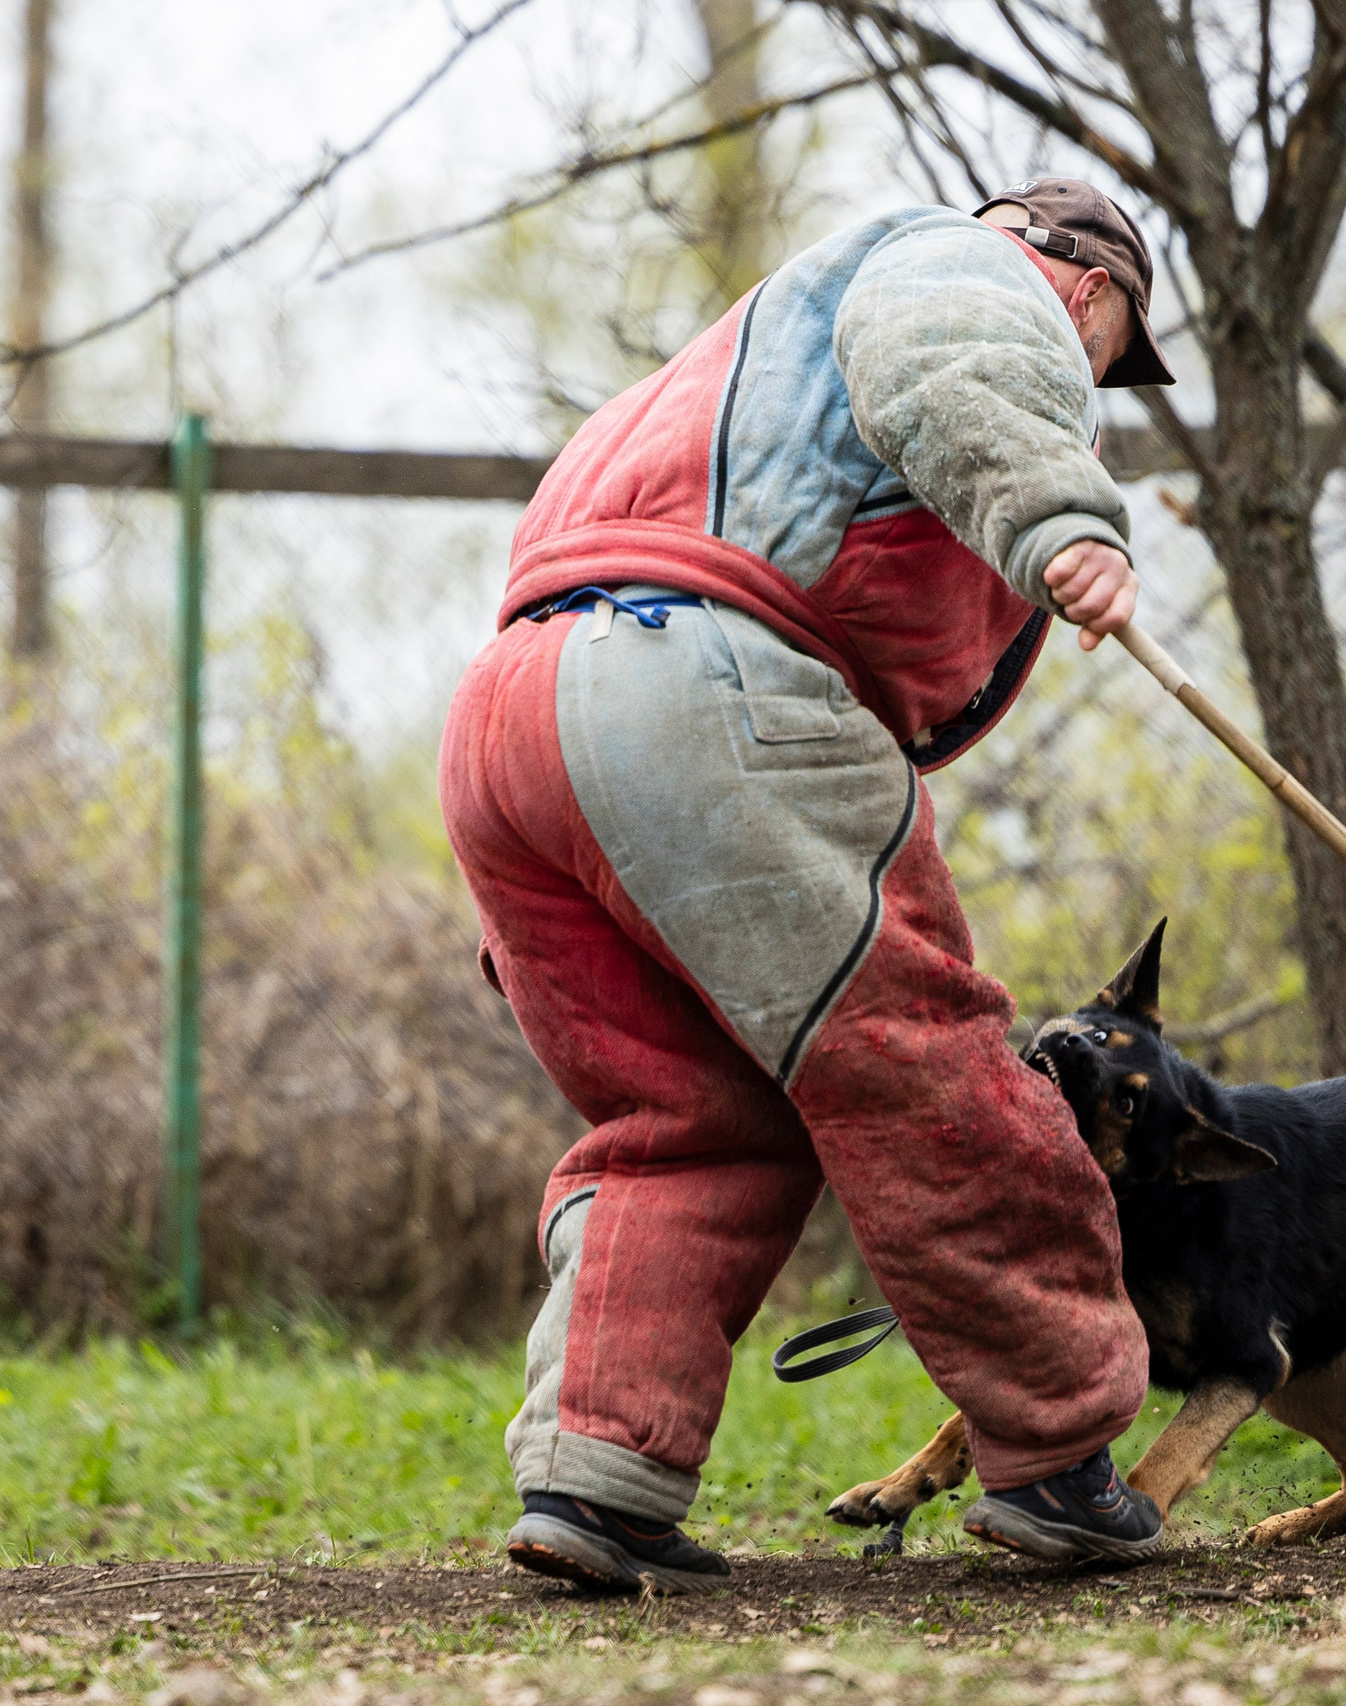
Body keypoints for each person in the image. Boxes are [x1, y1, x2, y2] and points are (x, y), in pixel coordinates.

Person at [438, 178, 1178, 1593]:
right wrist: (1060, 517)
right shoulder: (965, 269)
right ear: (1082, 286)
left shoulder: (725, 361)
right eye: (1108, 352)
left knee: (687, 1122)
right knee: (926, 1066)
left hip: (514, 719)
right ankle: (1059, 1456)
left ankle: (598, 1478)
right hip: (700, 689)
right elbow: (959, 354)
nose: (1091, 380)